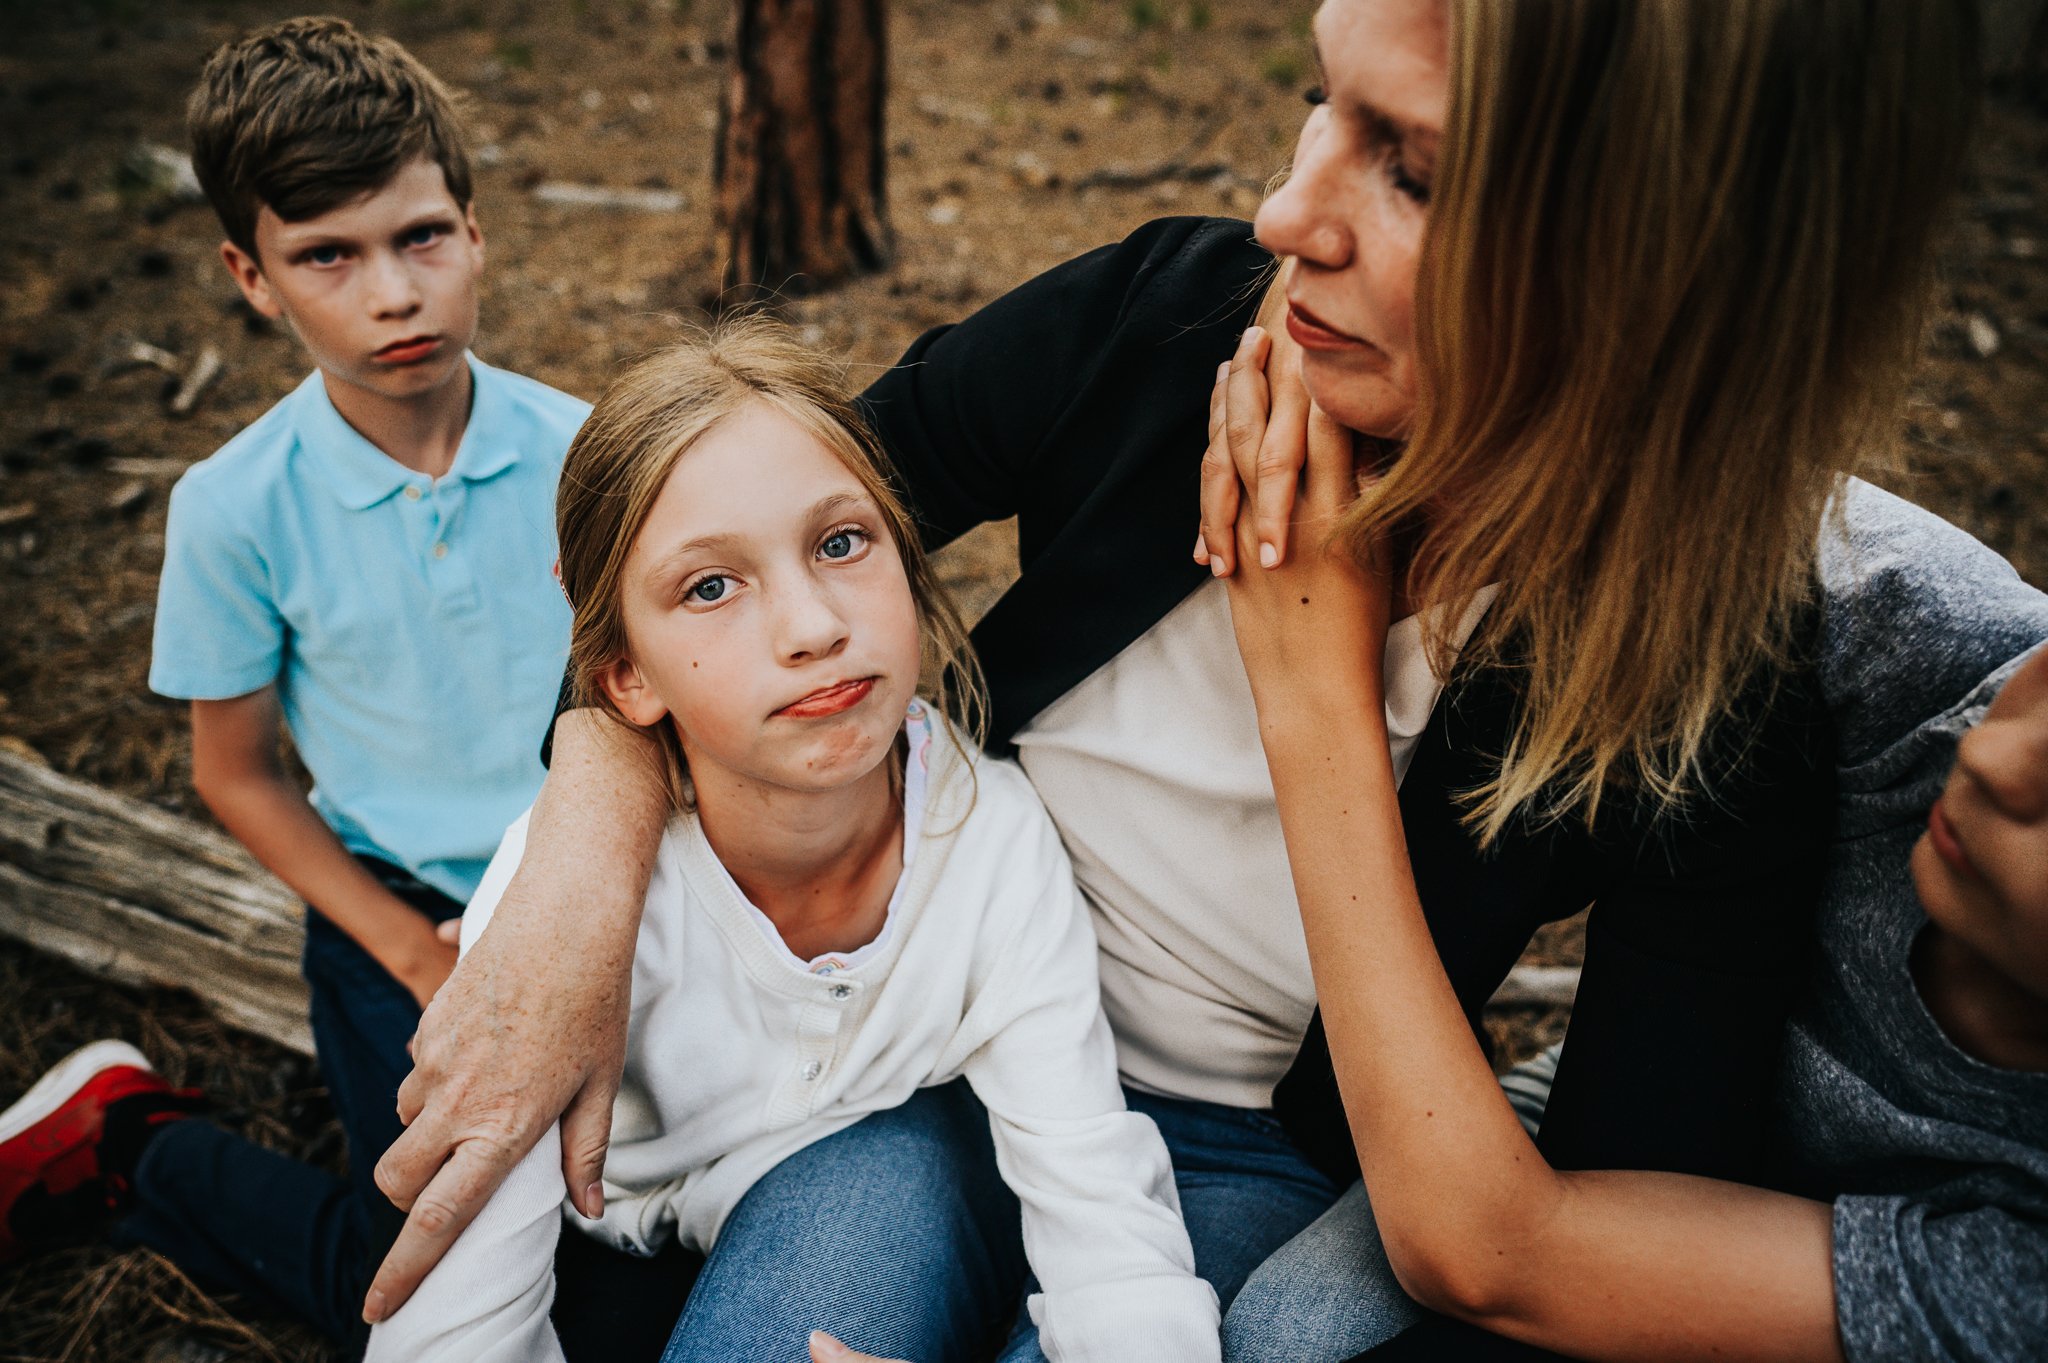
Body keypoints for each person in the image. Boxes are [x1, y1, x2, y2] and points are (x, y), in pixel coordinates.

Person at [366, 0, 2013, 1357]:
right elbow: (698, 558)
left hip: (1218, 1153)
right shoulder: (1164, 326)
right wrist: (582, 837)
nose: (1289, 211)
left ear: (1668, 270)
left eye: (1413, 173)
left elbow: (1583, 1220)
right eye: (1320, 102)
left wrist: (1316, 687)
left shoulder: (1709, 679)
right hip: (905, 1040)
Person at [366, 319, 1220, 1363]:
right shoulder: (567, 895)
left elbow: (1106, 1225)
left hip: (850, 1191)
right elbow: (458, 1321)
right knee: (361, 1264)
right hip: (604, 1224)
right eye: (710, 586)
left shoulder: (993, 845)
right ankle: (157, 1150)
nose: (812, 625)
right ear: (624, 674)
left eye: (840, 542)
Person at [0, 16, 628, 1352]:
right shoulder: (235, 507)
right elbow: (234, 770)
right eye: (328, 256)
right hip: (393, 910)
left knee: (622, 1254)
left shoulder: (588, 448)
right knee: (413, 1283)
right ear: (254, 276)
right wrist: (406, 947)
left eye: (420, 238)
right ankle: (132, 1141)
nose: (392, 293)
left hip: (593, 874)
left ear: (476, 232)